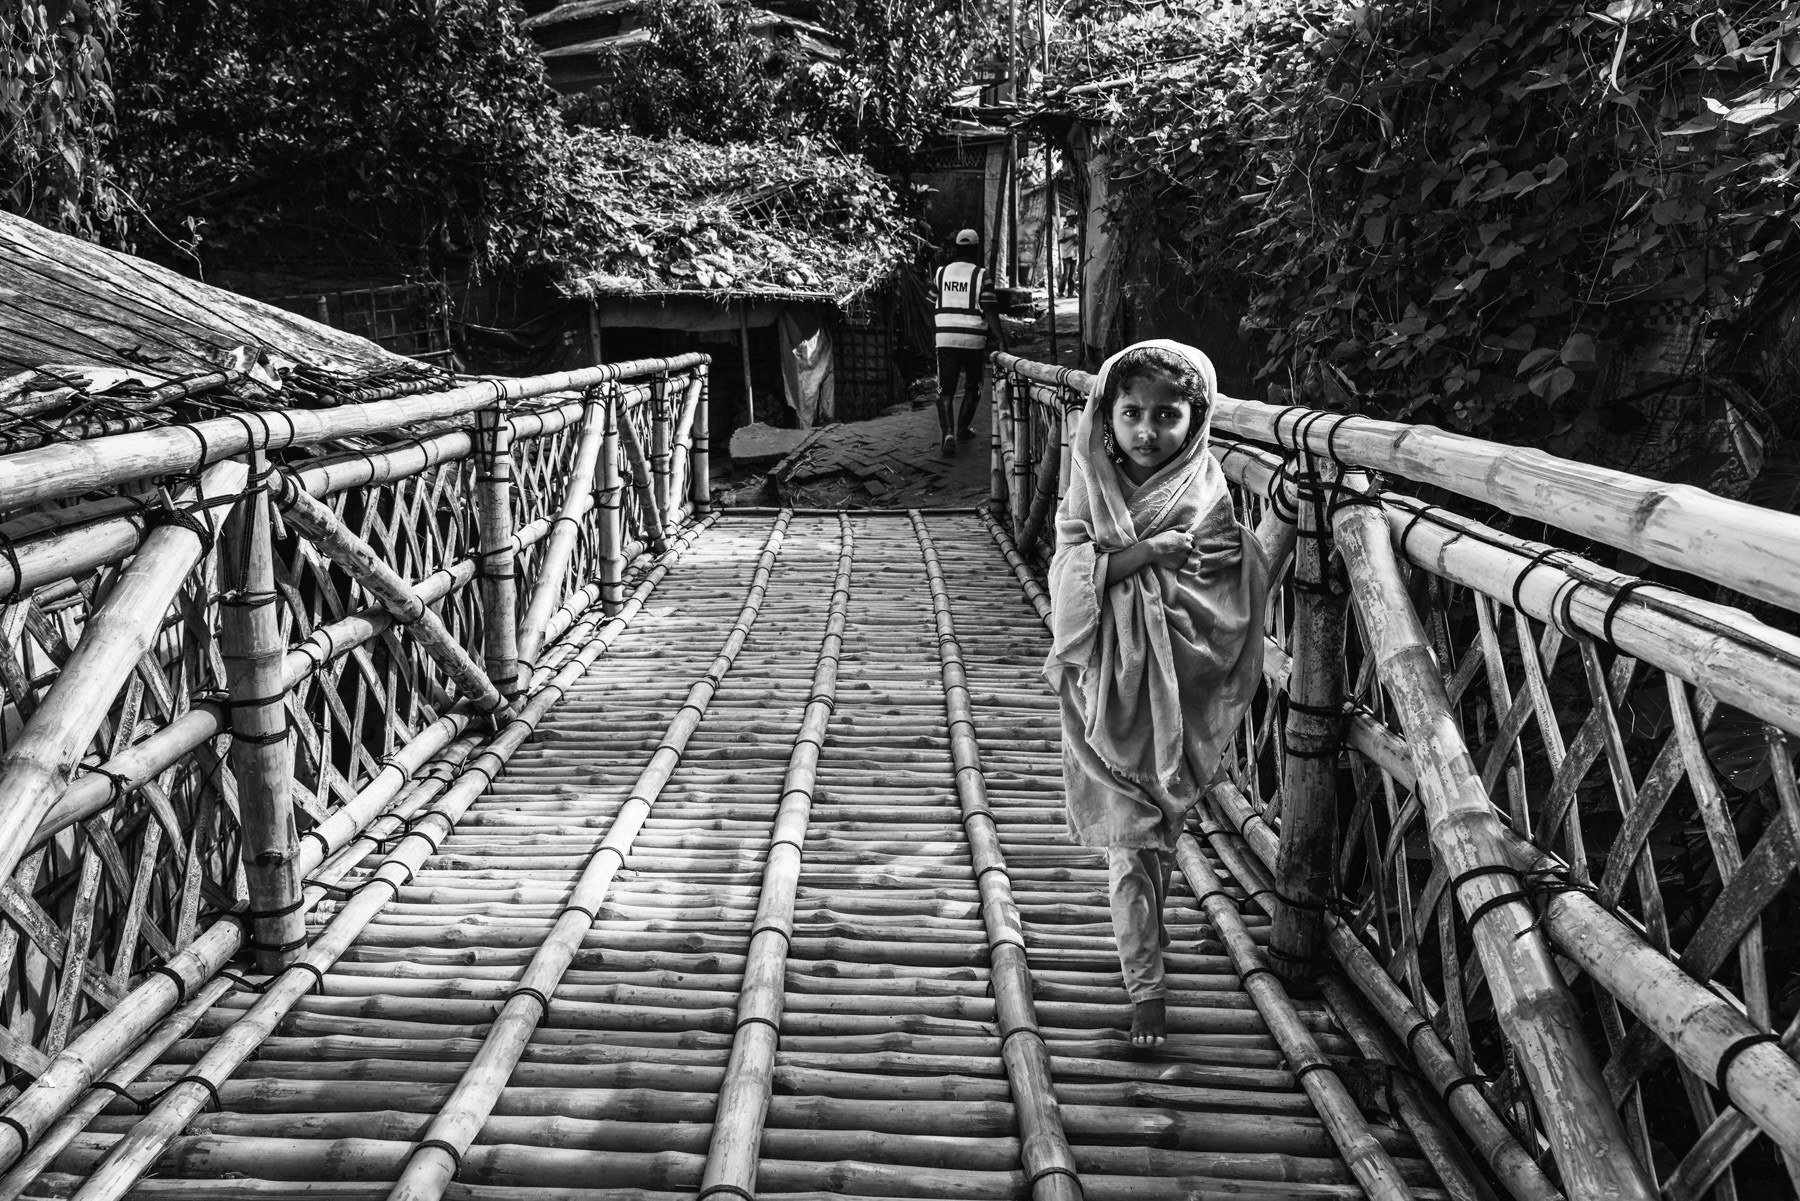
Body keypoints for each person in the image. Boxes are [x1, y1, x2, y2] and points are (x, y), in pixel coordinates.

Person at [1042, 340, 1269, 1050]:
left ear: (1195, 420)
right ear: (1105, 415)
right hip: (1102, 693)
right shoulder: (1089, 482)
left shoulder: (1205, 493)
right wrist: (1143, 554)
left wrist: (1263, 540)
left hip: (1177, 694)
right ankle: (1147, 988)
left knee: (1155, 842)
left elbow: (1222, 594)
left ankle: (1148, 963)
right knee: (1130, 846)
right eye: (1131, 413)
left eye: (1166, 415)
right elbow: (1067, 573)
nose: (1146, 430)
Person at [932, 229, 1005, 456]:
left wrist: (934, 331)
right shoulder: (982, 275)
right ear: (975, 249)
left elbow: (930, 303)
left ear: (956, 247)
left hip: (945, 338)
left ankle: (948, 434)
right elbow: (990, 309)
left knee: (945, 389)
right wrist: (1001, 339)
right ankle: (963, 428)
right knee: (973, 385)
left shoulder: (940, 273)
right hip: (973, 339)